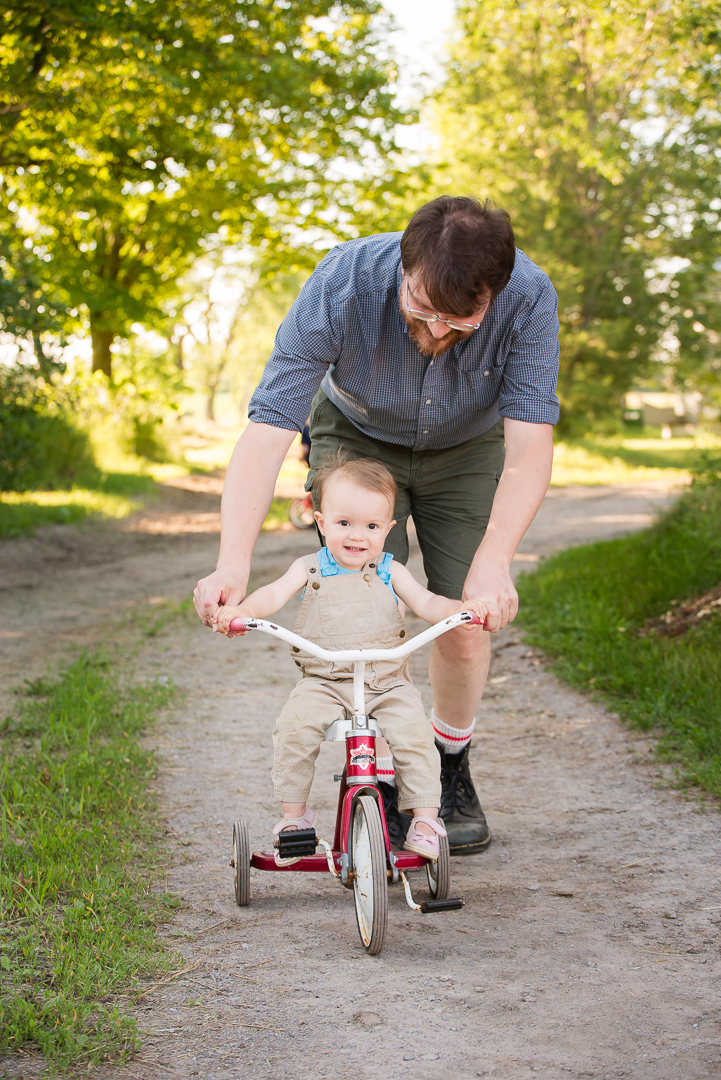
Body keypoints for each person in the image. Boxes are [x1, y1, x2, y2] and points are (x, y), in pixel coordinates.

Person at [194, 195, 559, 855]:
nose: (440, 330)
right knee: (361, 608)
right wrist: (232, 562)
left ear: (495, 294)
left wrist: (494, 561)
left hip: (466, 450)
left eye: (461, 318)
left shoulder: (529, 298)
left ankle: (447, 768)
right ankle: (380, 773)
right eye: (422, 307)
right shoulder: (343, 281)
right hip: (357, 435)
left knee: (464, 623)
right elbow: (269, 424)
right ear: (402, 267)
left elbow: (530, 441)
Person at [213, 457, 488, 863]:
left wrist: (463, 610)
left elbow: (428, 603)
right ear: (321, 522)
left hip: (386, 682)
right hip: (324, 680)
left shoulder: (390, 571)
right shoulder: (308, 568)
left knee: (414, 734)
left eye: (372, 527)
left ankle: (426, 820)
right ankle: (296, 817)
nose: (357, 536)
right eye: (344, 524)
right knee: (294, 727)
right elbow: (272, 595)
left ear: (389, 530)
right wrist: (243, 612)